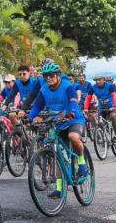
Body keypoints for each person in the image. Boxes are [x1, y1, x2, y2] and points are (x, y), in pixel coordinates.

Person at [28, 61, 86, 199]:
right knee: (57, 154)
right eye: (46, 75)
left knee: (73, 137)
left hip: (73, 119)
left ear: (58, 75)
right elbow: (37, 106)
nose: (49, 78)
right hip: (58, 123)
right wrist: (30, 117)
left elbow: (73, 99)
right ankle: (59, 188)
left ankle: (82, 163)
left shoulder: (67, 85)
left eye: (51, 75)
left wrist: (70, 111)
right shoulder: (43, 89)